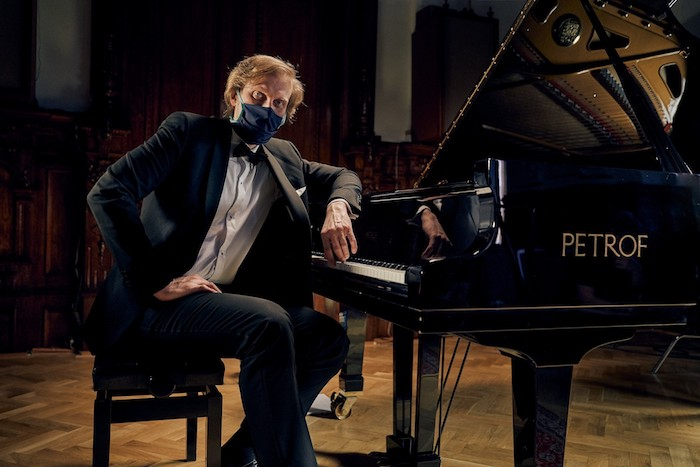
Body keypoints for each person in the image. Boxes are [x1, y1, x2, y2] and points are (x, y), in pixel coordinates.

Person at [82, 54, 362, 467]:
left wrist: (339, 204)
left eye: (279, 103)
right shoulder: (188, 133)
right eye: (259, 96)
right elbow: (108, 191)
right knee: (268, 323)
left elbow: (344, 177)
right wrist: (156, 280)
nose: (268, 109)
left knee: (326, 338)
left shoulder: (284, 157)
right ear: (235, 96)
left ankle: (243, 452)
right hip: (156, 305)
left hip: (221, 304)